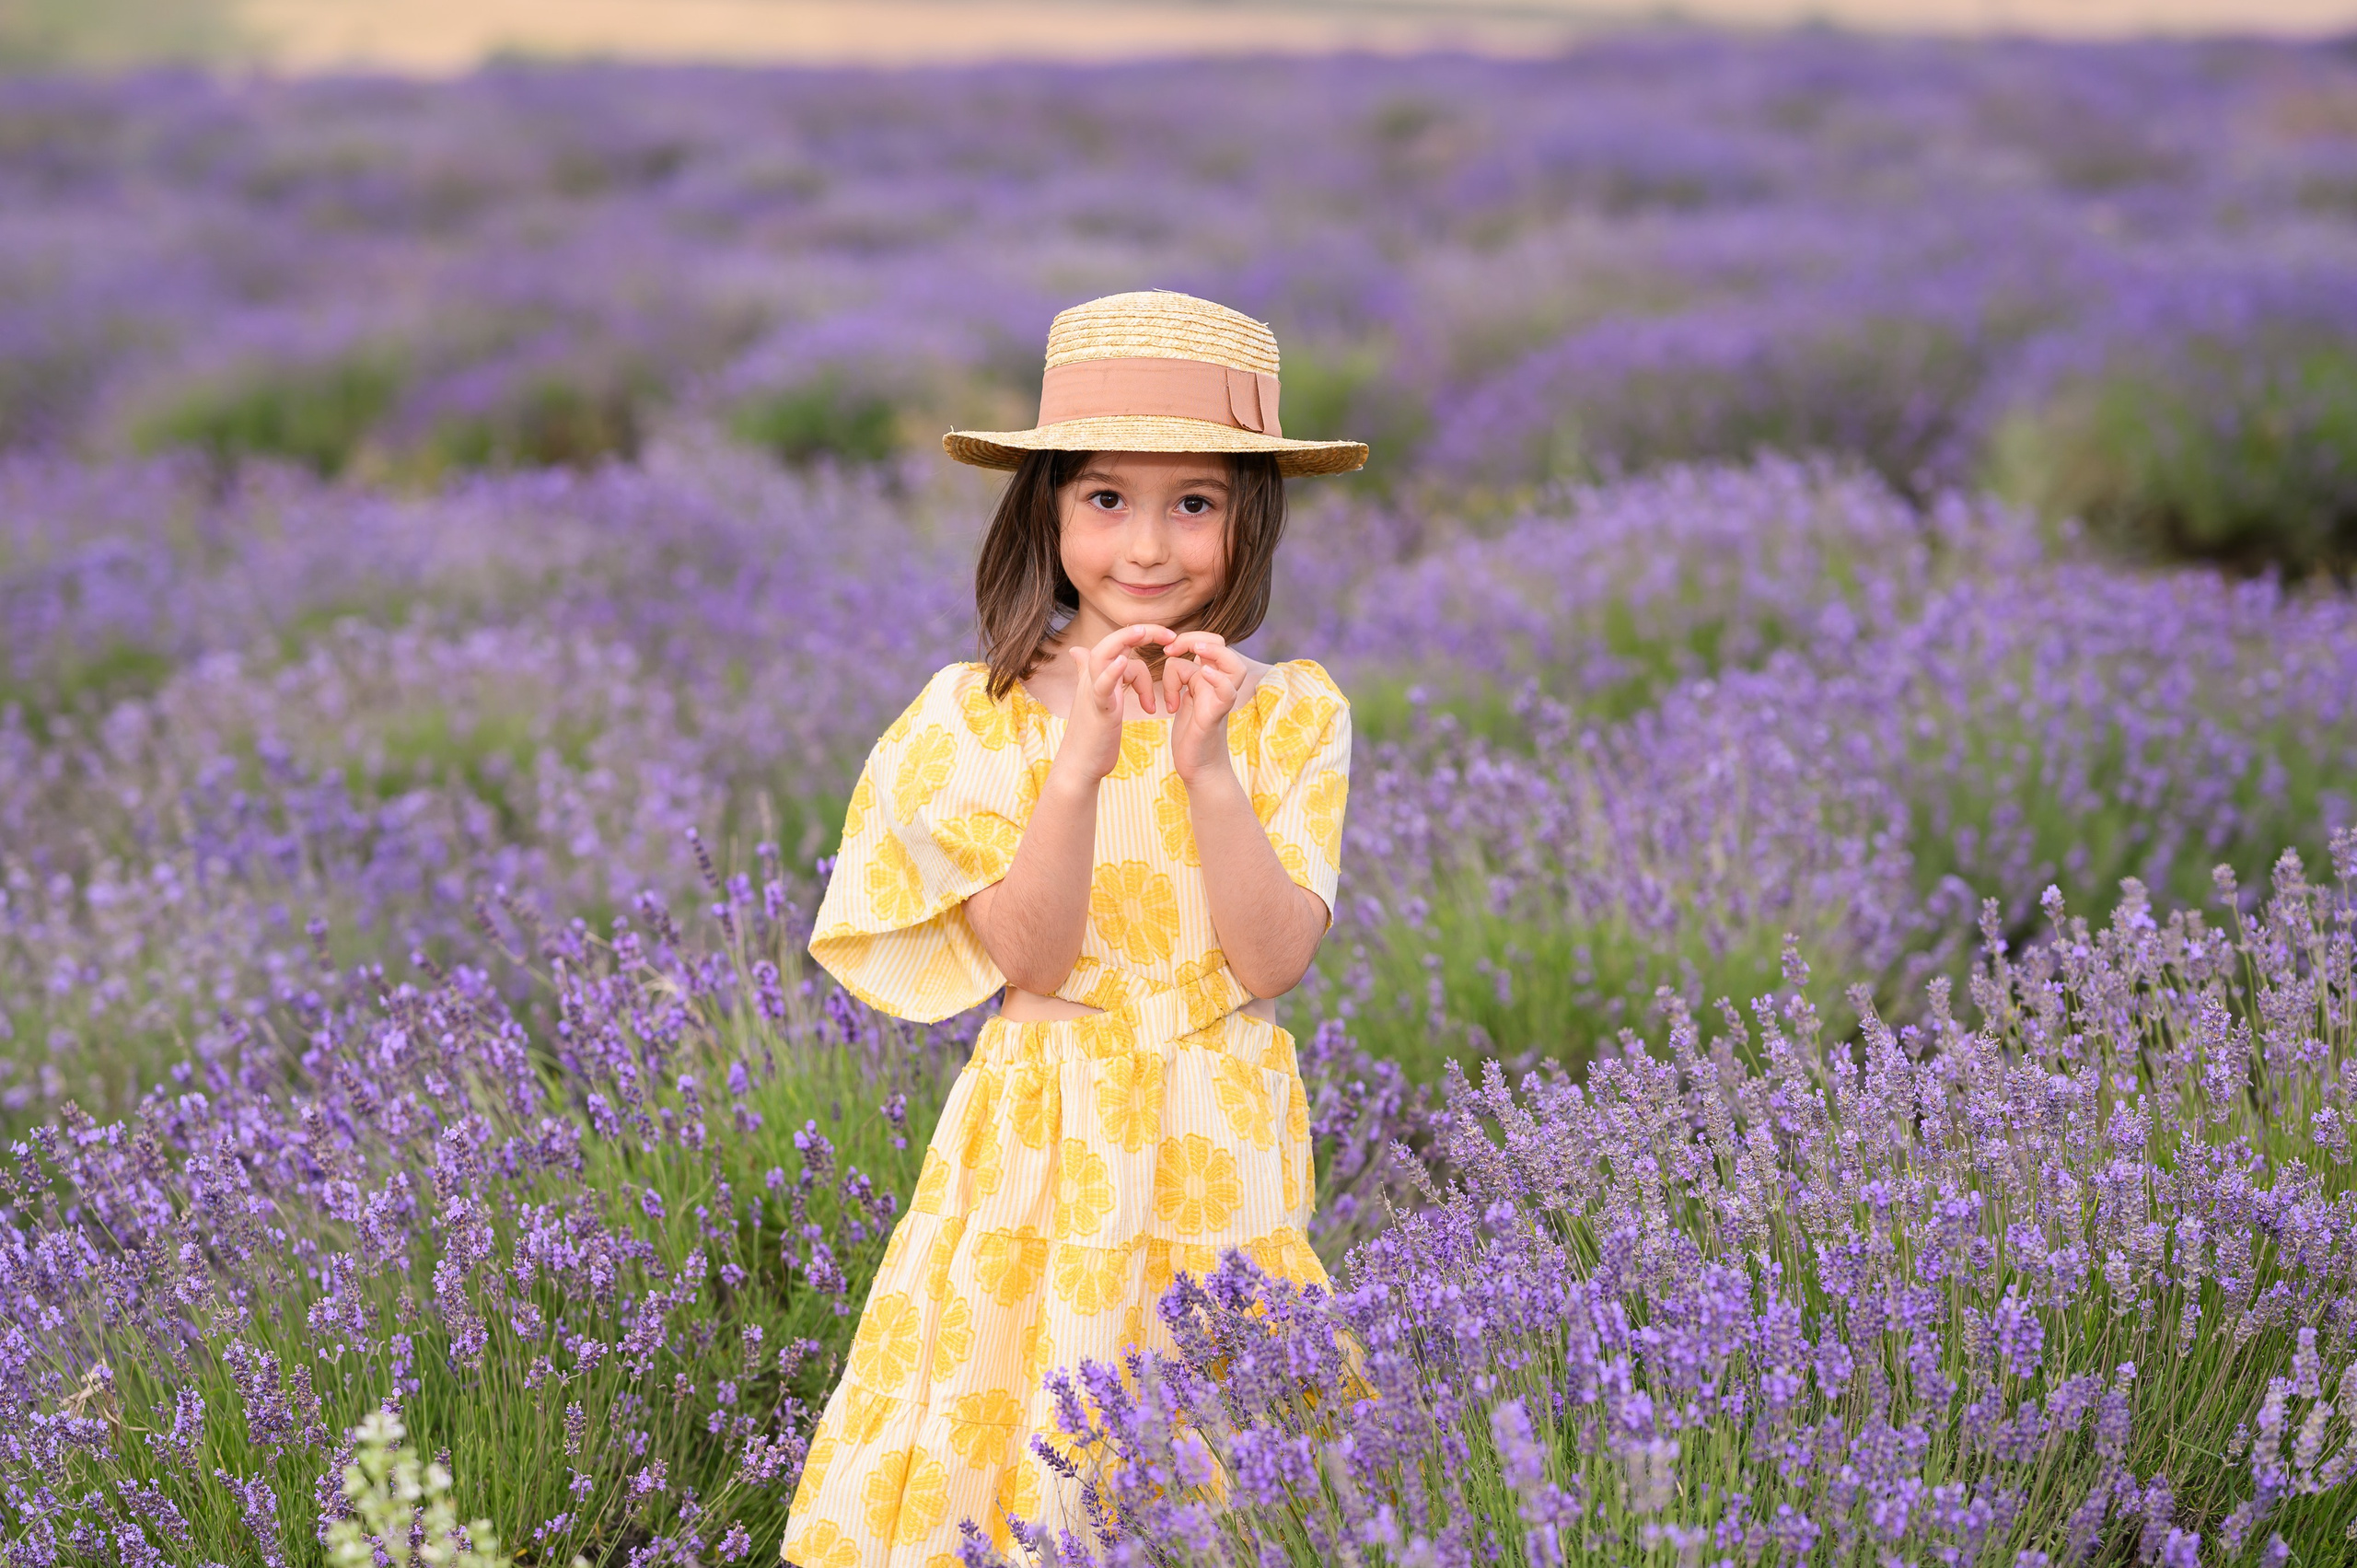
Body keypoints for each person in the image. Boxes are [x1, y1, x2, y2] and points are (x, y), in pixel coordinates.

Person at [782, 290, 1367, 1564]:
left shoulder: (1290, 717)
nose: (1146, 547)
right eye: (1105, 499)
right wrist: (1083, 760)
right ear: (1045, 510)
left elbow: (1271, 960)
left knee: (1222, 1437)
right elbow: (1032, 960)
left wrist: (1204, 767)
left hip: (1218, 1118)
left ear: (1247, 518)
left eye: (1194, 503)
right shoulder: (971, 719)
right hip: (1044, 1119)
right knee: (1017, 1404)